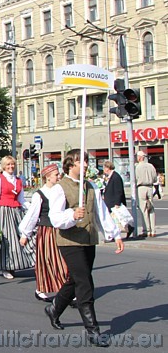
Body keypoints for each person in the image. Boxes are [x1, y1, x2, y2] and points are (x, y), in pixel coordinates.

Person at [44, 149, 124, 347]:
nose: (87, 164)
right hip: (69, 241)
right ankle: (93, 330)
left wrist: (115, 234)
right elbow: (55, 218)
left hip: (88, 238)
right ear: (71, 165)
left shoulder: (91, 186)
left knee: (76, 279)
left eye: (87, 161)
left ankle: (54, 308)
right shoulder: (60, 188)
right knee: (85, 283)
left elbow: (101, 213)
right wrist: (72, 215)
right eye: (82, 161)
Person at [18, 164, 68, 302]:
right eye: (56, 175)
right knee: (48, 261)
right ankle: (41, 289)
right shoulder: (39, 195)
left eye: (59, 174)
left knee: (64, 260)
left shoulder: (61, 191)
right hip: (47, 230)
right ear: (48, 177)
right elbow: (32, 216)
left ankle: (66, 290)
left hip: (61, 230)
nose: (59, 177)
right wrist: (24, 234)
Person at [0, 155, 35, 279]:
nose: (11, 167)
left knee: (23, 236)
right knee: (7, 240)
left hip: (16, 211)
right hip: (3, 212)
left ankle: (19, 263)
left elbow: (21, 199)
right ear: (3, 167)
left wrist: (32, 208)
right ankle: (6, 266)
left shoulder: (18, 181)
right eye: (8, 165)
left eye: (12, 164)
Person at [102, 160, 132, 239]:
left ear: (108, 168)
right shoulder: (110, 177)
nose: (103, 170)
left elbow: (119, 191)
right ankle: (127, 228)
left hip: (114, 202)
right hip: (110, 202)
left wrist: (117, 203)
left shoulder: (115, 177)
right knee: (115, 219)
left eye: (104, 168)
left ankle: (125, 230)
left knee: (116, 219)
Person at [135, 150, 157, 237]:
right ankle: (153, 230)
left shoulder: (137, 167)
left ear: (140, 157)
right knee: (151, 209)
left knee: (143, 209)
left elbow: (135, 178)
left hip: (141, 187)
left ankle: (146, 230)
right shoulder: (151, 166)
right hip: (150, 187)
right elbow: (155, 179)